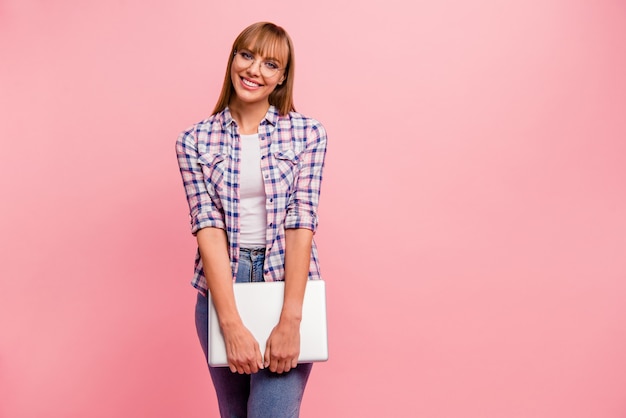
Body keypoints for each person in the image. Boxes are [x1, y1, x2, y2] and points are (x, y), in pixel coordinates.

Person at [175, 22, 328, 418]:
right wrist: (230, 324)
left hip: (287, 283)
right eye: (247, 56)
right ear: (233, 60)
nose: (255, 70)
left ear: (282, 78)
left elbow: (301, 223)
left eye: (270, 64)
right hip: (222, 288)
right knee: (235, 413)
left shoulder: (307, 134)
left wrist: (291, 319)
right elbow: (207, 229)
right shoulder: (193, 141)